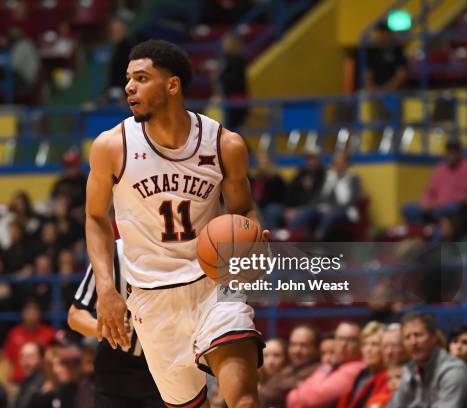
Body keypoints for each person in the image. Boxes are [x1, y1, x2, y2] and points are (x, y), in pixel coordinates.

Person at [86, 39, 266, 407]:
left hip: (216, 283)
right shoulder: (111, 146)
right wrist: (106, 289)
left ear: (172, 85)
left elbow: (244, 211)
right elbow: (95, 216)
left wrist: (252, 246)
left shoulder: (224, 144)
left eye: (141, 78)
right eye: (127, 79)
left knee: (243, 399)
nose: (129, 87)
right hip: (152, 297)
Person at [68, 239, 163, 407]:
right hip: (115, 367)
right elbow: (74, 316)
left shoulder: (183, 250)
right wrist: (106, 329)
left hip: (164, 363)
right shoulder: (112, 254)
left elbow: (226, 293)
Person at [387, 312, 467, 407]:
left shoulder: (453, 370)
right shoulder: (410, 369)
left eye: (418, 335)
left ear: (434, 337)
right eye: (407, 337)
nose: (413, 342)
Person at [287, 321, 365, 408]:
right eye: (340, 339)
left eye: (350, 340)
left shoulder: (356, 368)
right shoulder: (330, 366)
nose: (344, 344)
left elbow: (314, 399)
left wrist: (298, 392)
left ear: (360, 344)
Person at [402, 139, 467, 225]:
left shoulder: (466, 167)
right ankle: (425, 232)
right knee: (408, 208)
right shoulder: (440, 168)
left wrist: (442, 204)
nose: (451, 154)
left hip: (455, 208)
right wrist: (425, 204)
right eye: (449, 151)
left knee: (452, 209)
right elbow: (429, 192)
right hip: (436, 208)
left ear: (460, 152)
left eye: (454, 151)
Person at [258, 325, 320, 408]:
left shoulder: (318, 371)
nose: (297, 350)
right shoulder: (289, 369)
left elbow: (271, 393)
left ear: (316, 348)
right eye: (293, 344)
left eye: (304, 345)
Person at [3, 301, 55, 383]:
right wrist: (7, 381)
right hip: (17, 380)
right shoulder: (14, 333)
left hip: (41, 381)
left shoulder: (49, 333)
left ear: (39, 314)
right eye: (28, 312)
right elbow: (7, 359)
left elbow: (53, 358)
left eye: (33, 312)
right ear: (22, 314)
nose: (30, 316)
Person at [337, 321, 386, 408]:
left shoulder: (389, 378)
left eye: (375, 344)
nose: (368, 349)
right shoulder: (362, 374)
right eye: (365, 344)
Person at [12, 342, 45, 408]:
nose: (25, 361)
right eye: (22, 356)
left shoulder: (45, 381)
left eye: (30, 357)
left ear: (41, 359)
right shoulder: (26, 380)